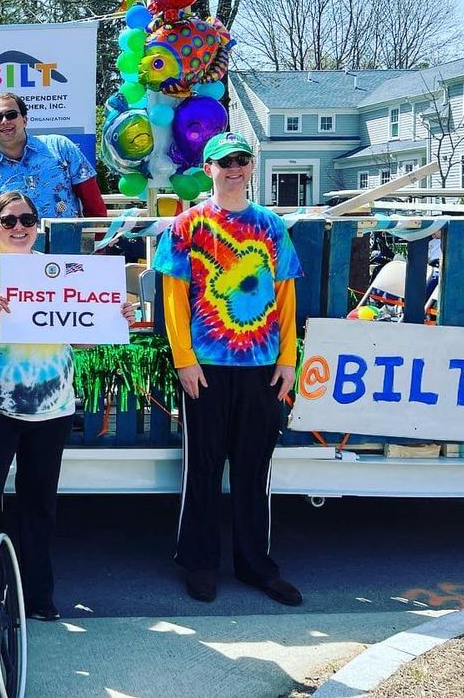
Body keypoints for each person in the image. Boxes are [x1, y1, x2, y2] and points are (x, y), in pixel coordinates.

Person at [0, 190, 134, 622]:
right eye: (8, 221)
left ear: (37, 225)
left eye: (27, 219)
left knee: (39, 503)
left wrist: (113, 318)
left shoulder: (59, 271)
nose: (19, 227)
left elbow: (78, 336)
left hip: (52, 408)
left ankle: (36, 595)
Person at [152, 131, 304, 607]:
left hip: (261, 366)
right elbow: (173, 299)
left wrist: (287, 359)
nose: (233, 168)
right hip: (207, 367)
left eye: (241, 160)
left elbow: (284, 296)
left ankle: (256, 565)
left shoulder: (272, 225)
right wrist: (184, 360)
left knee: (254, 471)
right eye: (224, 161)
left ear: (251, 167)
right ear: (209, 168)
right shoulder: (186, 225)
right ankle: (198, 563)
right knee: (203, 467)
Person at [0, 92, 107, 226]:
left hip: (67, 247)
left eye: (11, 115)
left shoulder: (60, 147)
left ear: (24, 120)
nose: (5, 121)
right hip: (14, 248)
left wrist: (98, 244)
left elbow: (94, 205)